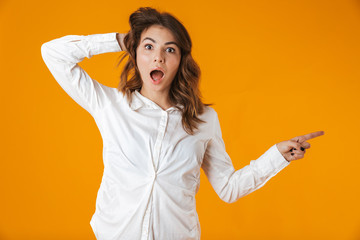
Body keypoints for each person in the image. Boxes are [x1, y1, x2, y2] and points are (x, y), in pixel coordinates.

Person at [41, 6, 325, 240]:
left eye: (170, 50)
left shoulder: (204, 120)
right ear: (135, 52)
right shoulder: (111, 105)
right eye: (148, 46)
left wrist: (276, 156)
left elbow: (228, 188)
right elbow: (53, 54)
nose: (158, 57)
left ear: (180, 60)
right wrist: (119, 39)